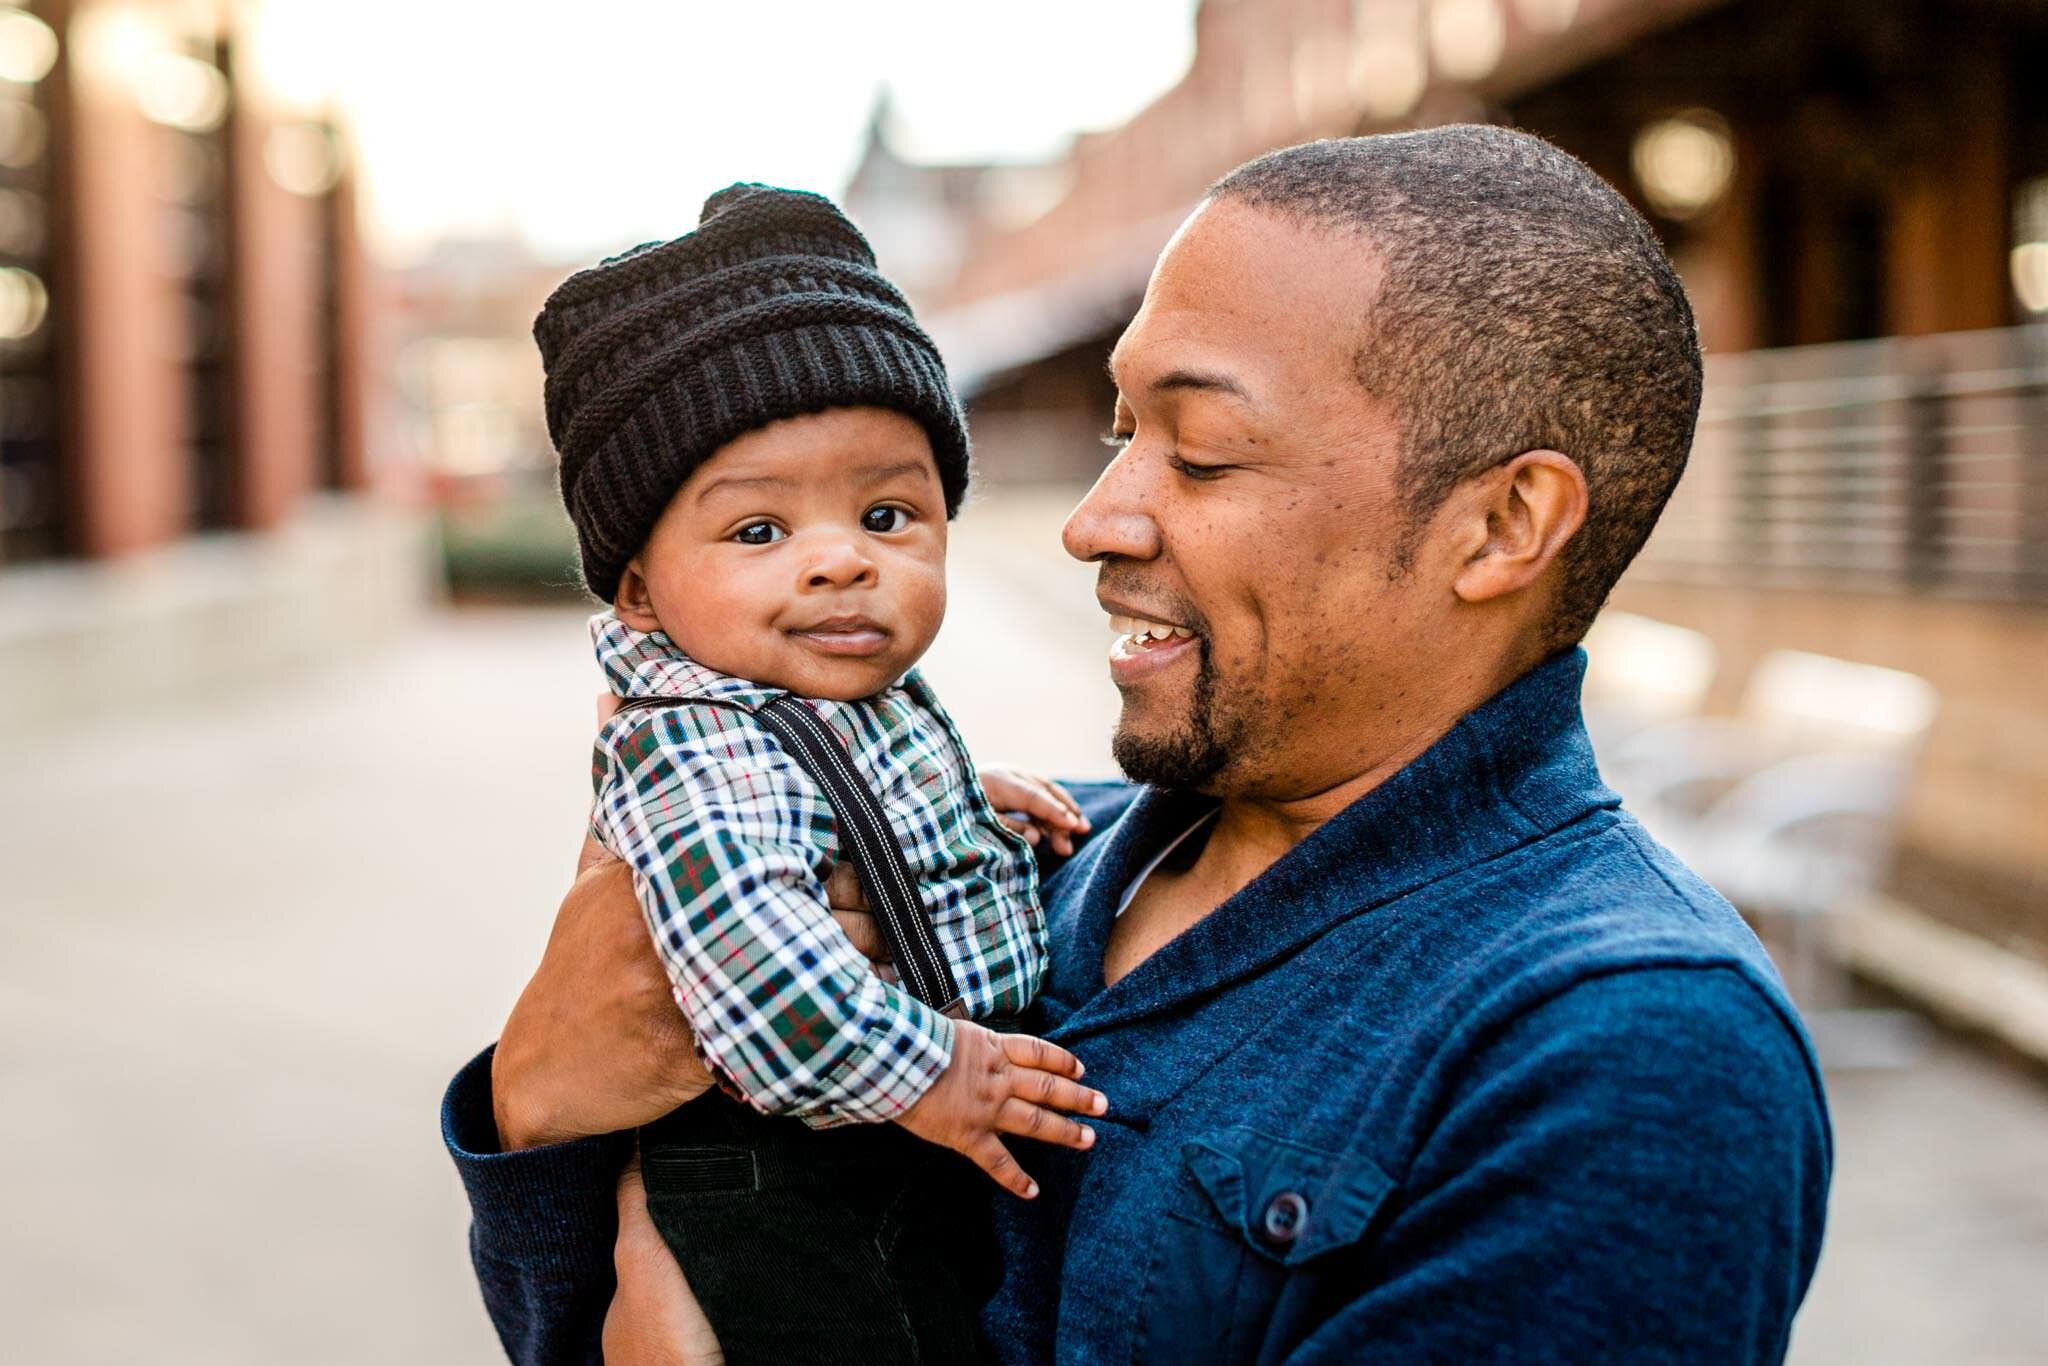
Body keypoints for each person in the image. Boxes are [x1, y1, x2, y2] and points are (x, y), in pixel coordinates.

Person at [445, 127, 1832, 1363]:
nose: (1094, 518)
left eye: (1204, 451)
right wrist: (539, 1103)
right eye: (1121, 432)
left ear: (1501, 527)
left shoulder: (1624, 1055)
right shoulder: (1032, 850)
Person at [526, 182, 1105, 1362]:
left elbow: (818, 801)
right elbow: (756, 961)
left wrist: (943, 803)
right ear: (640, 588)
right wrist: (937, 1069)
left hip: (869, 1138)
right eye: (758, 532)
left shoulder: (826, 707)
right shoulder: (694, 740)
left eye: (888, 513)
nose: (840, 561)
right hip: (790, 1176)